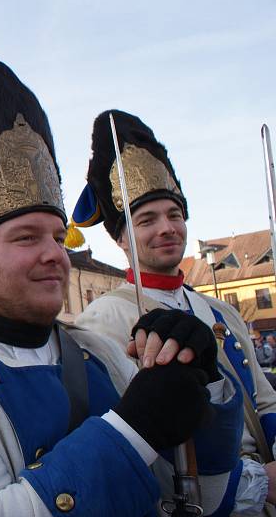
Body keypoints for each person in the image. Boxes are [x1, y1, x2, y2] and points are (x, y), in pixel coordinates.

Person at [0, 59, 244, 516]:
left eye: (56, 236)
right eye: (26, 237)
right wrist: (131, 430)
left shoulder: (105, 355)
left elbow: (201, 501)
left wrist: (203, 384)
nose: (55, 254)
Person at [71, 110, 276, 514]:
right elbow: (132, 438)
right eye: (147, 220)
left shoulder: (220, 311)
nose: (166, 228)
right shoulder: (103, 320)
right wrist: (254, 484)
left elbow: (265, 400)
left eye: (174, 215)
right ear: (121, 239)